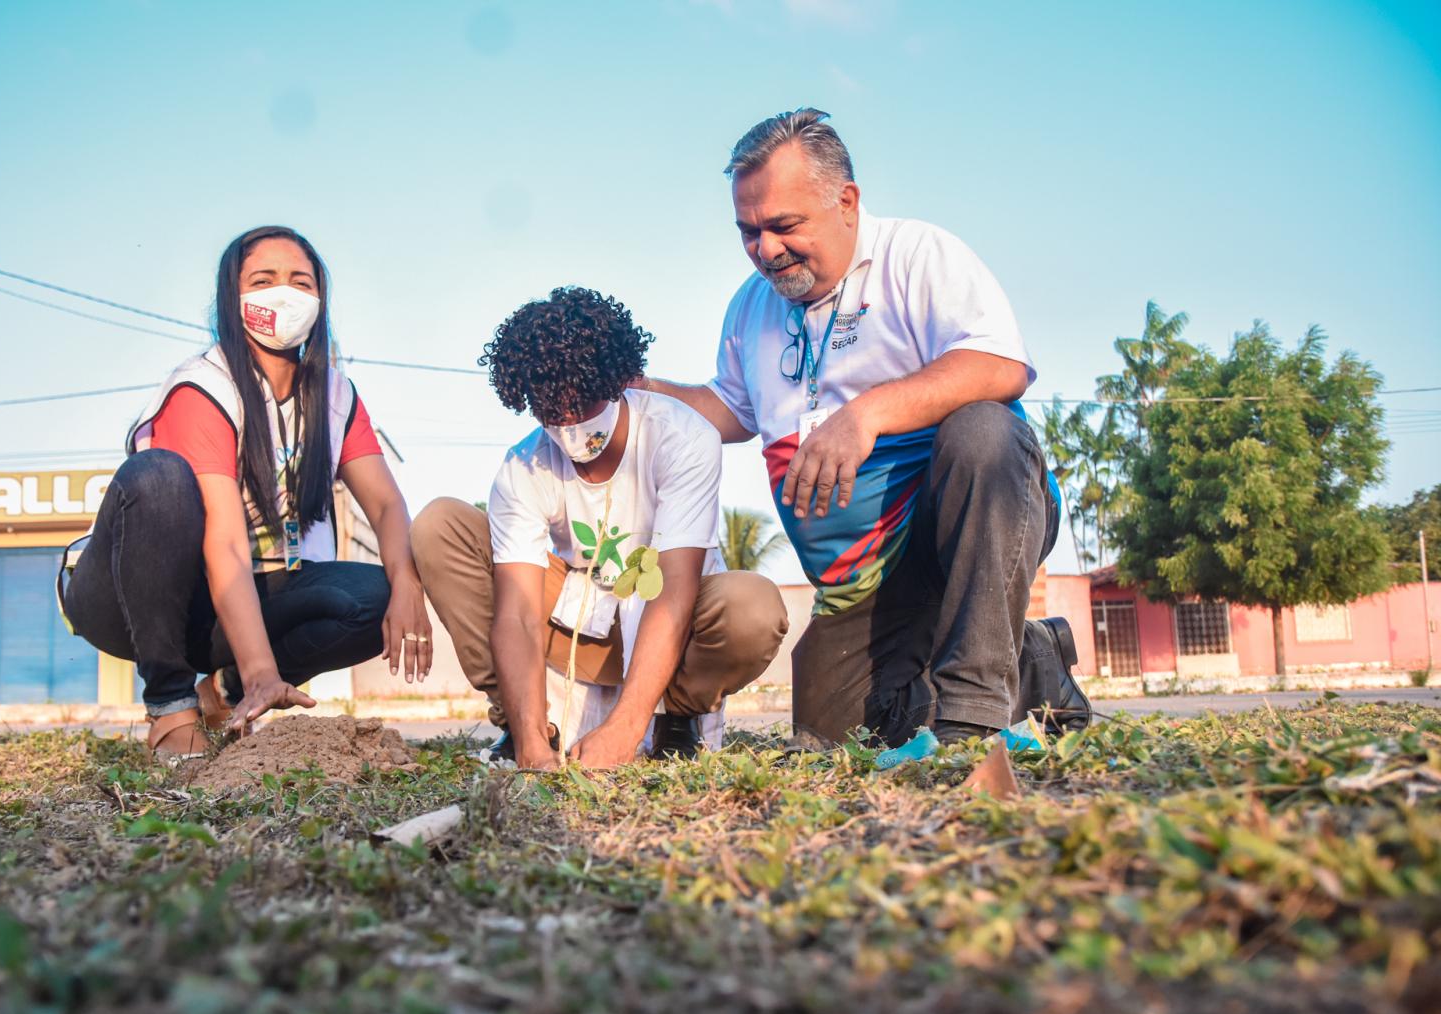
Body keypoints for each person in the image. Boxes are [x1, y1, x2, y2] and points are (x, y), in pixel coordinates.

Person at [641, 109, 1090, 750]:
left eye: (784, 226)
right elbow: (731, 411)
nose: (765, 250)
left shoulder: (917, 256)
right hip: (860, 583)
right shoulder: (750, 307)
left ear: (845, 202)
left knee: (984, 433)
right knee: (835, 738)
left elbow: (999, 365)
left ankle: (974, 713)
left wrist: (867, 414)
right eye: (748, 231)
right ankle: (1034, 660)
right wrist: (646, 392)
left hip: (956, 532)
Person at [61, 225, 432, 757]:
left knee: (375, 600)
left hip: (241, 601)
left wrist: (407, 586)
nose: (285, 293)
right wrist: (265, 669)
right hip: (138, 599)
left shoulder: (335, 396)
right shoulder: (204, 387)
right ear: (232, 300)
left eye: (301, 282)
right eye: (264, 279)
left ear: (320, 300)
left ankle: (226, 692)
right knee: (158, 478)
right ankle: (170, 709)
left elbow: (387, 503)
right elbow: (227, 547)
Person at [412, 287, 789, 770]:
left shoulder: (683, 436)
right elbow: (519, 615)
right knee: (440, 524)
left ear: (618, 380)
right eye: (550, 409)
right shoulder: (523, 467)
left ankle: (677, 721)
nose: (568, 423)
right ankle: (524, 723)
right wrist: (530, 745)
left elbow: (673, 593)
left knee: (750, 605)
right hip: (580, 626)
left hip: (670, 628)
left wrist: (627, 728)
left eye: (582, 403)